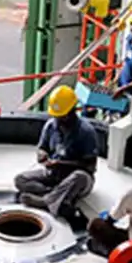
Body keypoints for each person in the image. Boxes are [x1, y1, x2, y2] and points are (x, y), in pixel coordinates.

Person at [15, 85, 98, 216]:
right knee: (20, 180)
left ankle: (45, 201)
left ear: (72, 111)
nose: (58, 121)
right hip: (53, 174)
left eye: (62, 117)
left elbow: (90, 167)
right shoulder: (50, 126)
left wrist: (60, 164)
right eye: (56, 116)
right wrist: (42, 155)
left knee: (80, 177)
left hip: (74, 178)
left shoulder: (86, 132)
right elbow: (42, 148)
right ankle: (57, 195)